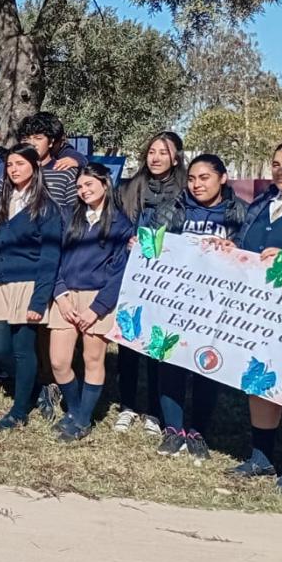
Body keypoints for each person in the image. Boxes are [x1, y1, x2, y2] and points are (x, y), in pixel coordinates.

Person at [148, 154, 246, 457]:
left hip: (215, 308)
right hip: (174, 302)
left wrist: (236, 250)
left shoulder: (241, 214)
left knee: (207, 366)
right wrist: (143, 246)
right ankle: (173, 430)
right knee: (170, 364)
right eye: (191, 178)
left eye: (204, 178)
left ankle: (198, 431)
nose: (196, 185)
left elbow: (250, 256)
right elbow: (152, 247)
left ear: (223, 178)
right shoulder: (171, 209)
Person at [226, 140, 282, 490]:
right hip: (259, 311)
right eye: (276, 164)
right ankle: (262, 456)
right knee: (260, 377)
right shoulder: (262, 203)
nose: (280, 170)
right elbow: (245, 242)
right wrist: (231, 250)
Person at [48, 164, 134, 442]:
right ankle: (75, 409)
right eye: (79, 187)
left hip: (98, 299)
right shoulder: (67, 217)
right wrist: (60, 294)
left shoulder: (121, 224)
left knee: (93, 359)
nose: (84, 191)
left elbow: (119, 272)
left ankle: (83, 419)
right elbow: (53, 258)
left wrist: (97, 309)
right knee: (59, 361)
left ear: (105, 184)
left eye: (89, 185)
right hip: (65, 296)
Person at [0, 144, 63, 432]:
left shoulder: (46, 207)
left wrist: (39, 300)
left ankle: (18, 412)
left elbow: (50, 257)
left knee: (22, 349)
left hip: (27, 285)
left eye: (20, 163)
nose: (13, 169)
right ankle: (37, 387)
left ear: (34, 167)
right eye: (10, 164)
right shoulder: (2, 202)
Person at [113, 131, 186, 435]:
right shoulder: (128, 189)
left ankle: (155, 411)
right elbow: (114, 225)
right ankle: (127, 405)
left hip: (167, 281)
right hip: (132, 276)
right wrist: (125, 240)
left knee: (158, 345)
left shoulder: (185, 192)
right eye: (152, 152)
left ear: (176, 158)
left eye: (163, 153)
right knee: (128, 342)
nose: (155, 158)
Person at [17, 112, 82, 214]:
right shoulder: (10, 171)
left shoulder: (66, 173)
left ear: (51, 142)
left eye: (38, 138)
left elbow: (76, 213)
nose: (32, 143)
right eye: (27, 139)